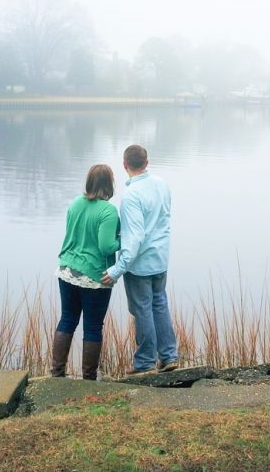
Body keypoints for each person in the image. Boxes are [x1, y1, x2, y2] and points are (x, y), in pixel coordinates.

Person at [100, 144, 178, 374]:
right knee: (160, 305)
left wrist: (117, 269)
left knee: (142, 309)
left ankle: (144, 363)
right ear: (147, 162)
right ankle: (169, 356)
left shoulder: (131, 196)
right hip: (160, 259)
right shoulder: (163, 186)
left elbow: (134, 238)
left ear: (125, 165)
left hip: (139, 264)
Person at [51, 164, 120, 380]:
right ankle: (89, 378)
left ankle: (57, 372)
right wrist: (124, 238)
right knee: (92, 326)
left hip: (67, 270)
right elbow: (106, 246)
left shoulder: (75, 203)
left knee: (67, 320)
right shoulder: (108, 211)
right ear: (109, 184)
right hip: (94, 276)